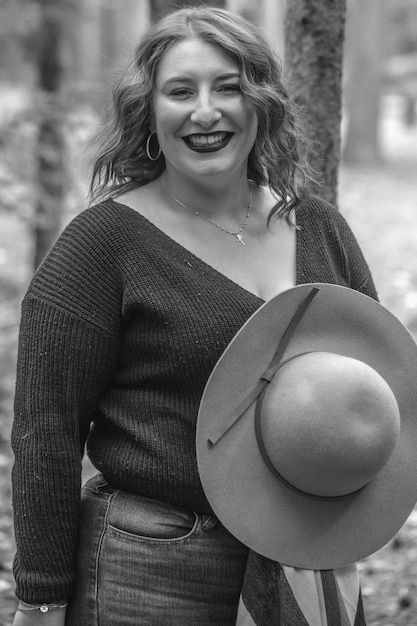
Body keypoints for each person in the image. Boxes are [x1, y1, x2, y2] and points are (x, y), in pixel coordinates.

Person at [11, 6, 378, 625]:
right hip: (153, 568)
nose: (205, 112)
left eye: (228, 87)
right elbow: (46, 430)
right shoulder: (101, 245)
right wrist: (42, 596)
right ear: (148, 112)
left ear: (260, 103)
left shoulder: (319, 228)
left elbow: (374, 386)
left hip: (307, 561)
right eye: (180, 91)